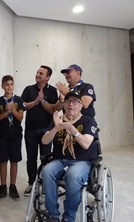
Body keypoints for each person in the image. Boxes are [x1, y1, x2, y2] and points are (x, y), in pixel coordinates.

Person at [41, 91, 99, 222]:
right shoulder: (58, 120)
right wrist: (56, 127)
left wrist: (72, 130)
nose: (70, 104)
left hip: (81, 161)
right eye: (67, 101)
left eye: (75, 101)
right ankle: (53, 215)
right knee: (47, 170)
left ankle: (69, 216)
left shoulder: (88, 121)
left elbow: (86, 144)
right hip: (60, 160)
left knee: (73, 175)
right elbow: (44, 141)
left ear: (80, 106)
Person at [21, 65, 63, 196]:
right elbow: (22, 106)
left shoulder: (52, 91)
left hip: (47, 130)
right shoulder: (28, 89)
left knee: (46, 158)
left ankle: (45, 184)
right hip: (30, 130)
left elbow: (54, 109)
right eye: (37, 72)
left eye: (41, 73)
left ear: (48, 77)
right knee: (31, 158)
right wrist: (34, 102)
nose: (38, 74)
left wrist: (43, 101)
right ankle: (31, 183)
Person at [0, 75, 26, 202]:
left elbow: (20, 118)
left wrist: (13, 110)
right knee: (3, 161)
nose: (9, 87)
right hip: (2, 135)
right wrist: (6, 112)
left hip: (15, 135)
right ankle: (2, 187)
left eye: (11, 84)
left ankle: (12, 186)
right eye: (6, 84)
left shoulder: (19, 100)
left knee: (14, 161)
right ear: (2, 86)